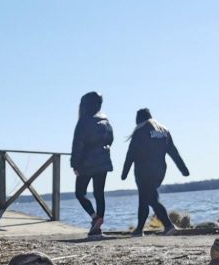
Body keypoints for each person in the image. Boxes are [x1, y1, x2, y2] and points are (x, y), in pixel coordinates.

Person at [122, 108, 189, 236]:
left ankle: (168, 225)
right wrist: (183, 169)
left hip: (143, 170)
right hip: (159, 171)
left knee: (150, 199)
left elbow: (131, 154)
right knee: (144, 198)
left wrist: (124, 173)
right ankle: (139, 229)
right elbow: (174, 152)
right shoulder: (164, 131)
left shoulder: (140, 131)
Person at [70, 91, 114, 238]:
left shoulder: (84, 121)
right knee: (99, 193)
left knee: (80, 193)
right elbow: (110, 139)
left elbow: (78, 144)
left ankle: (95, 217)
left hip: (87, 163)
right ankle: (97, 224)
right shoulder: (105, 120)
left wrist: (74, 164)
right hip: (103, 161)